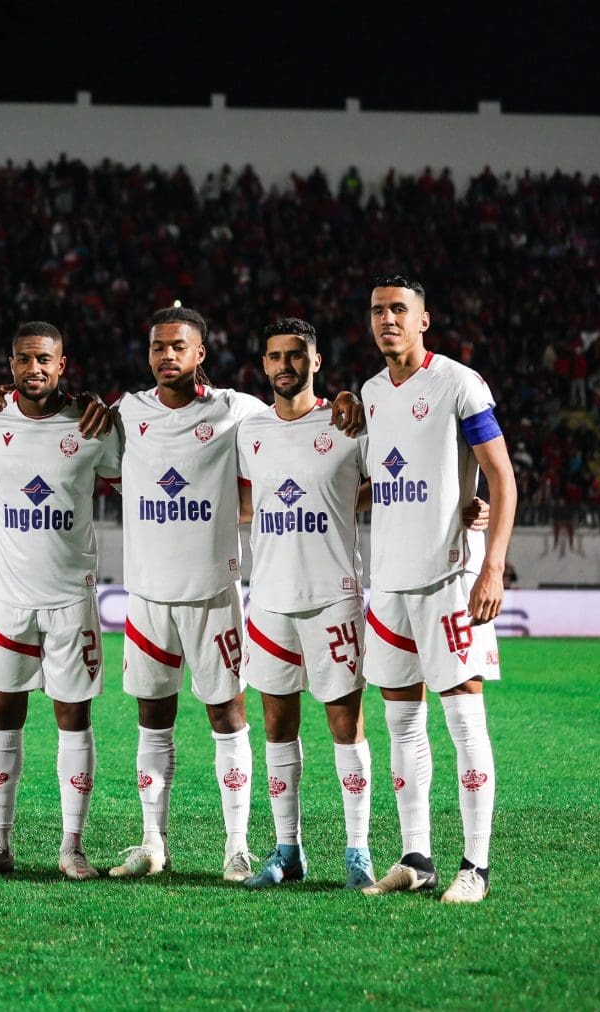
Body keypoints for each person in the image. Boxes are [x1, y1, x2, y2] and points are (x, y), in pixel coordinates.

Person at [109, 306, 363, 882]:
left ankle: (237, 847)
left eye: (179, 347)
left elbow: (303, 422)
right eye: (158, 347)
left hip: (214, 594)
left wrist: (347, 396)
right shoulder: (126, 413)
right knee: (152, 721)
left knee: (229, 717)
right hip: (147, 597)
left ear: (201, 354)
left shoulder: (237, 413)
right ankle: (152, 843)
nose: (166, 356)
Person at [358, 276, 516, 904]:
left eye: (399, 310)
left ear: (424, 320)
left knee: (464, 721)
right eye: (377, 311)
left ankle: (475, 866)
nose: (387, 320)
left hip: (450, 580)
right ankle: (415, 856)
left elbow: (502, 478)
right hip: (389, 583)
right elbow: (387, 479)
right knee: (401, 723)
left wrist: (494, 566)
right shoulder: (369, 393)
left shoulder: (458, 382)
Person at [0, 322, 121, 880]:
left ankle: (71, 846)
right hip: (5, 597)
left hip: (71, 598)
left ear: (62, 363)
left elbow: (135, 484)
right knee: (2, 718)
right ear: (11, 364)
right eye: (25, 359)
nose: (35, 369)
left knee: (74, 721)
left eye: (45, 359)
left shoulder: (93, 424)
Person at [233, 318, 376, 888]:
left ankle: (357, 850)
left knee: (346, 724)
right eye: (275, 356)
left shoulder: (348, 423)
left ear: (316, 362)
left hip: (333, 598)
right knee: (276, 726)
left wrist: (465, 505)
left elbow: (391, 480)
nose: (285, 365)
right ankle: (287, 850)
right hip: (268, 598)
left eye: (296, 355)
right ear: (263, 365)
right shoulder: (249, 431)